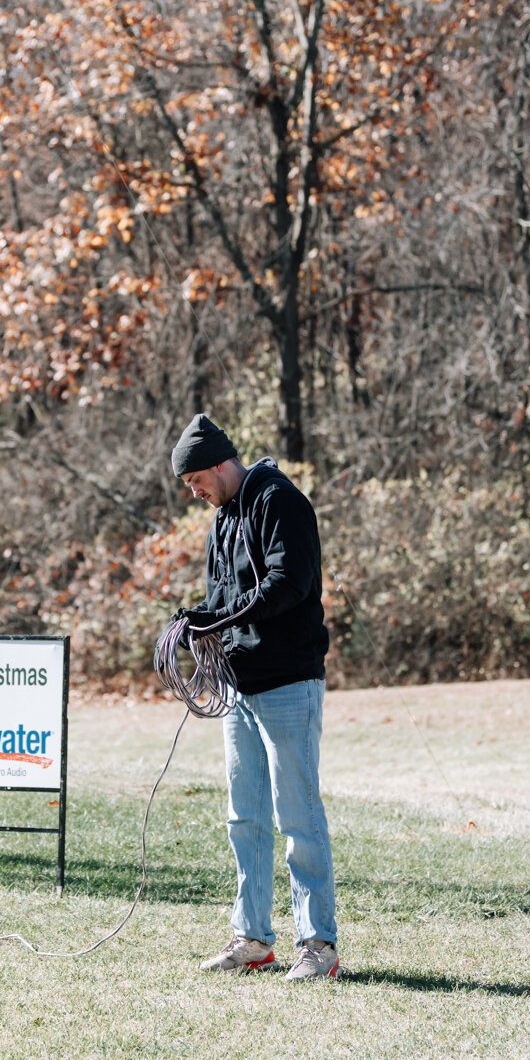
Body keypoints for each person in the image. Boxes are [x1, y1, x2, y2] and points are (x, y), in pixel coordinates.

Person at [170, 413, 339, 981]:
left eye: (196, 480)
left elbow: (288, 583)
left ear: (220, 464)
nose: (194, 493)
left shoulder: (279, 500)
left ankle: (317, 945)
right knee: (244, 818)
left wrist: (224, 616)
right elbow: (224, 594)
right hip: (239, 688)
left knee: (298, 815)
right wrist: (201, 619)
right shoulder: (223, 516)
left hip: (289, 681)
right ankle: (253, 939)